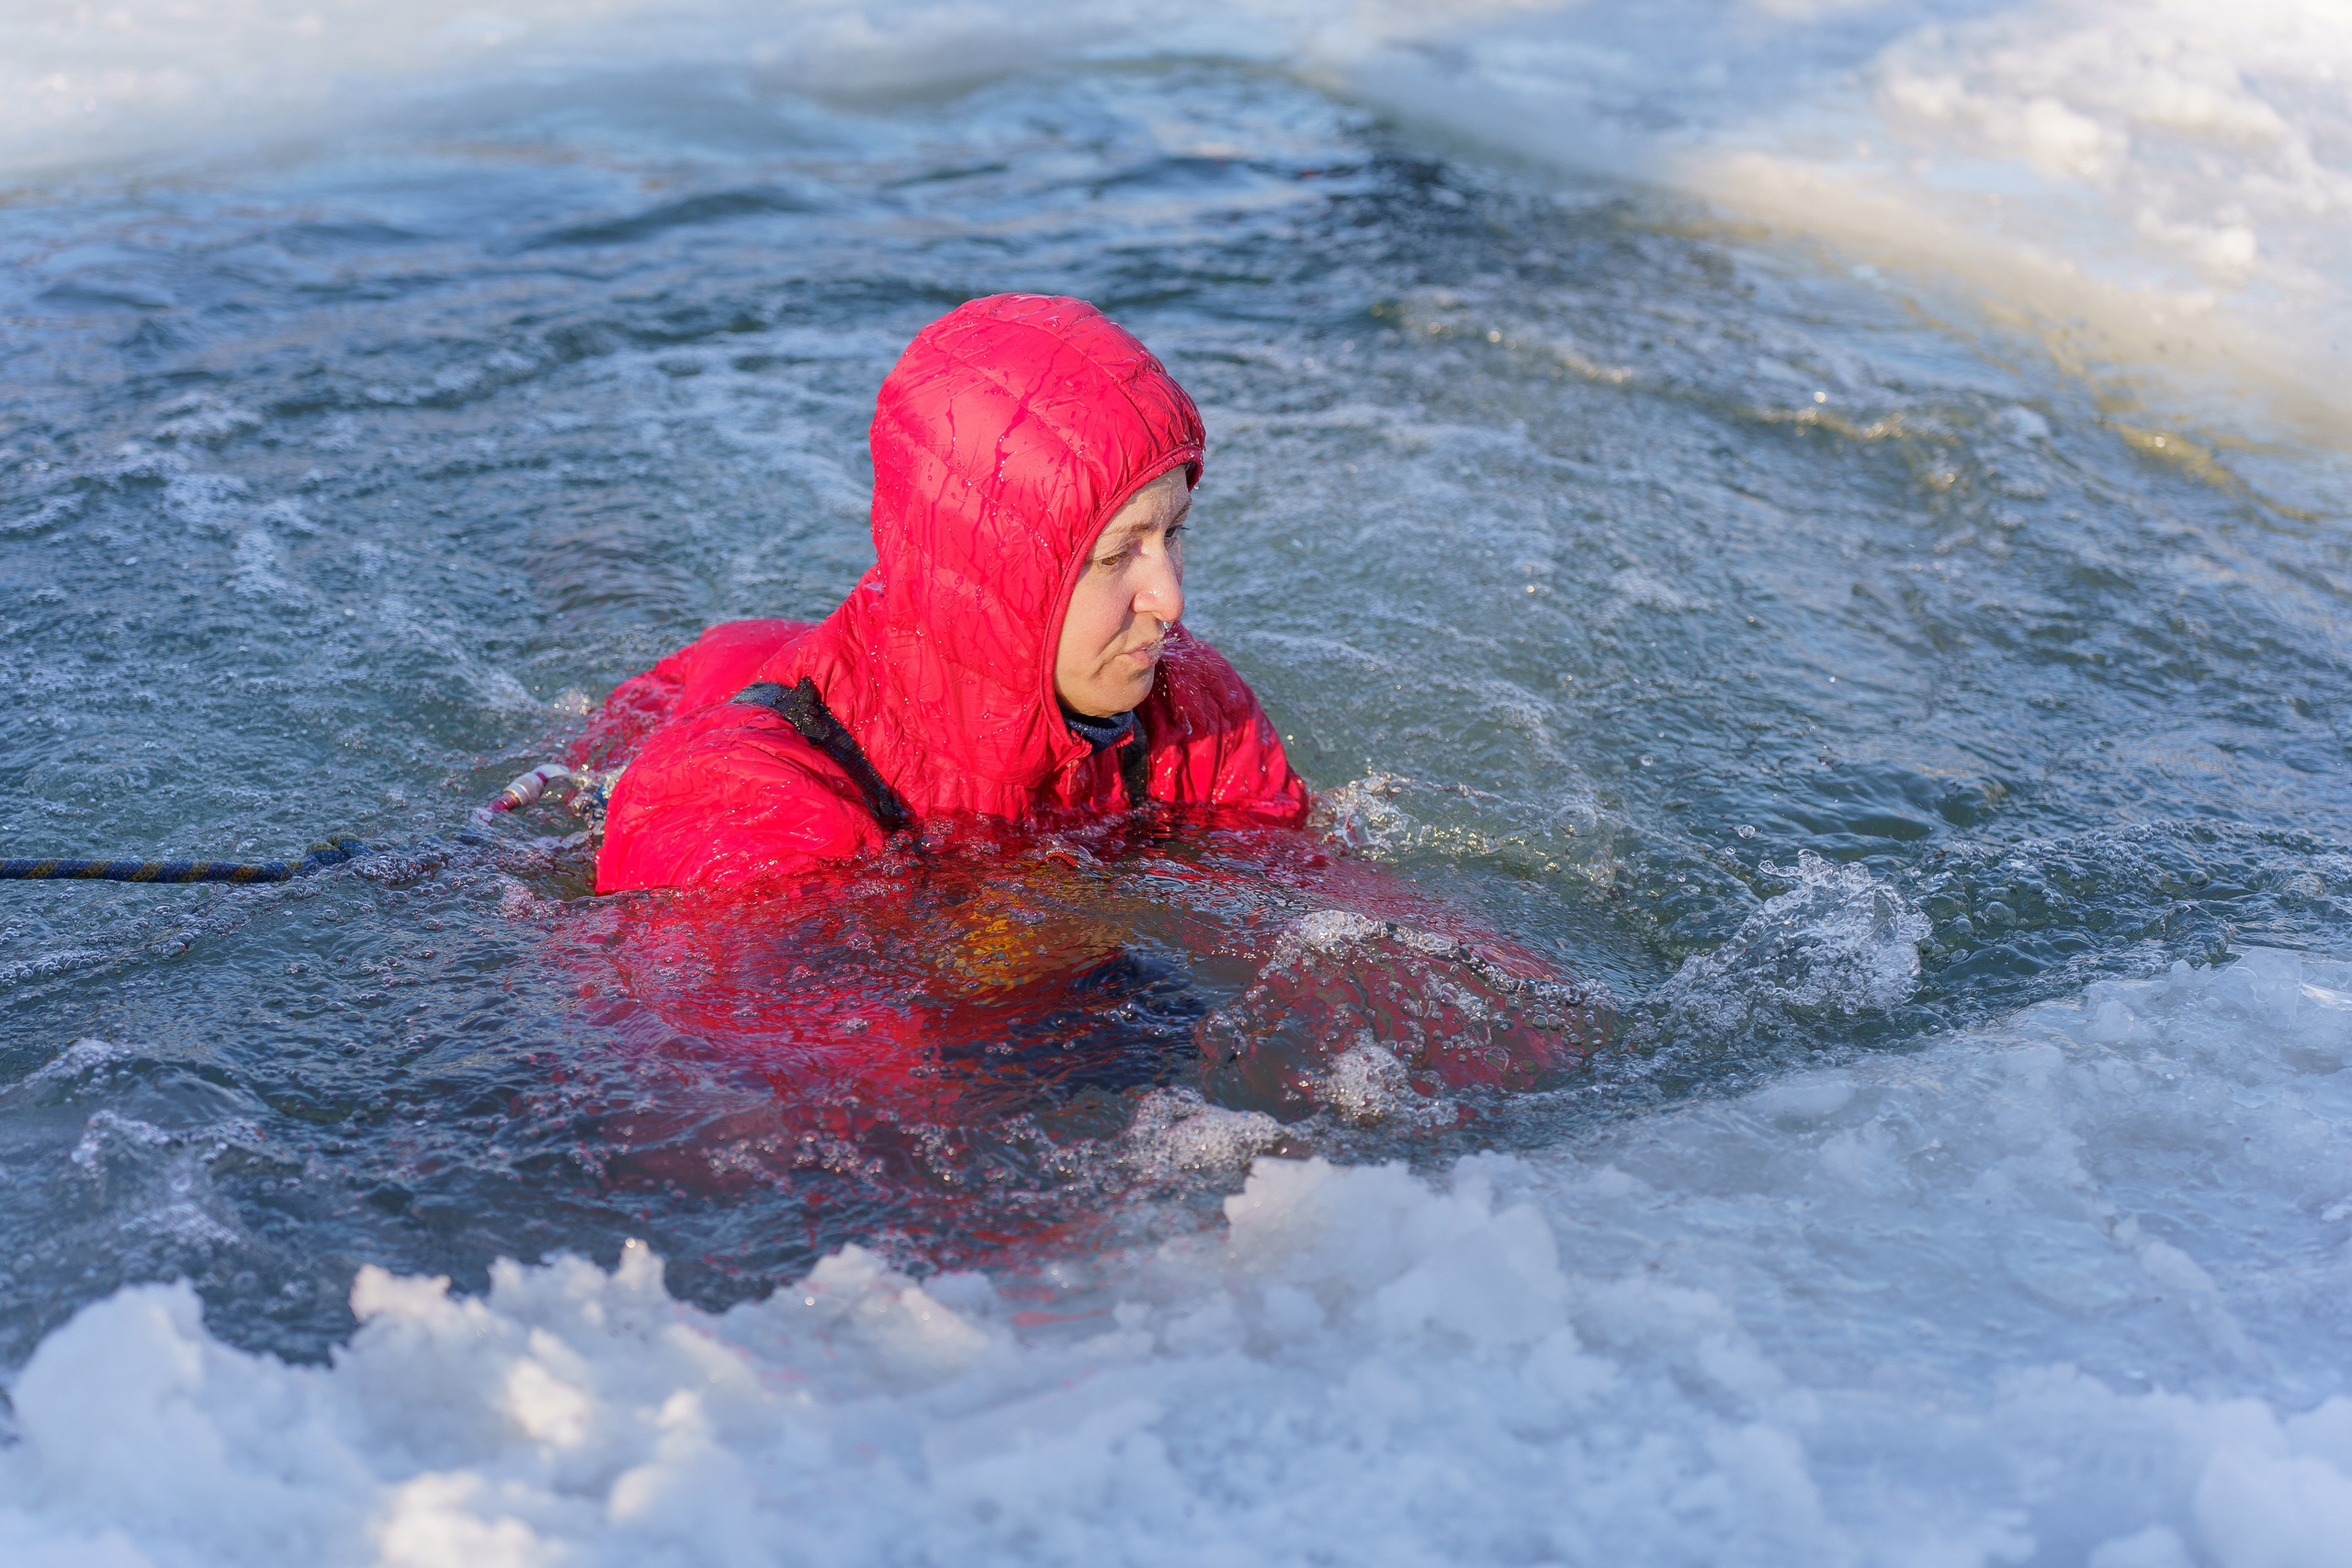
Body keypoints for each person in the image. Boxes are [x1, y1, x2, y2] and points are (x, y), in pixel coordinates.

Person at [584, 293, 1309, 895]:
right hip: (707, 706)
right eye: (1120, 552)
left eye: (1173, 533)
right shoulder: (742, 804)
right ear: (1001, 577)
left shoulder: (1184, 709)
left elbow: (1327, 907)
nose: (1169, 600)